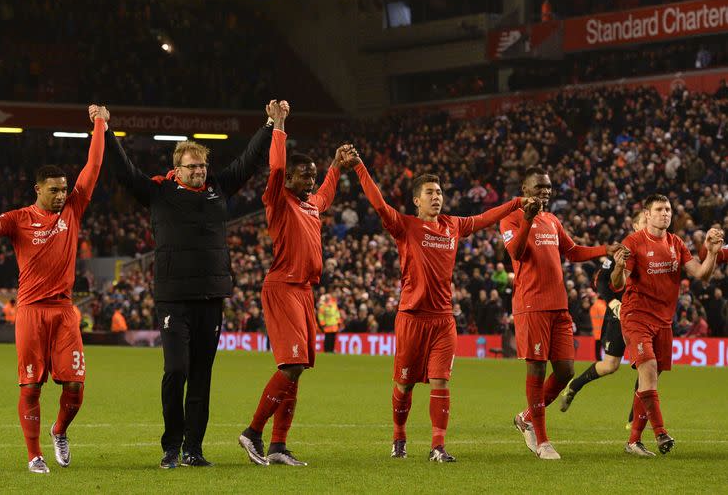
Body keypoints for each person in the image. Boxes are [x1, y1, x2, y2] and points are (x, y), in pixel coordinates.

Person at [99, 101, 274, 469]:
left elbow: (248, 161)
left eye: (202, 165)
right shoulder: (159, 193)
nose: (199, 171)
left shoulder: (218, 188)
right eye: (192, 166)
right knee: (175, 369)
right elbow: (124, 172)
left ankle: (193, 449)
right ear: (177, 168)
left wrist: (271, 125)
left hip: (210, 297)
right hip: (173, 299)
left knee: (201, 376)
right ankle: (170, 446)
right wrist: (105, 130)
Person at [0, 106, 105, 474]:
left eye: (64, 189)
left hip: (63, 311)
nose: (62, 195)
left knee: (75, 388)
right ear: (38, 190)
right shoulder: (18, 219)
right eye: (54, 190)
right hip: (30, 311)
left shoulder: (73, 210)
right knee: (30, 387)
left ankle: (59, 430)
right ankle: (34, 455)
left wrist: (100, 123)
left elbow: (92, 168)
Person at [352, 152, 528, 463]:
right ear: (416, 201)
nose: (437, 198)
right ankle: (399, 436)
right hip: (411, 317)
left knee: (440, 381)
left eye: (440, 193)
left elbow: (486, 218)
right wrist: (359, 166)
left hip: (443, 319)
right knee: (404, 385)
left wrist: (516, 203)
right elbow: (379, 203)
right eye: (430, 193)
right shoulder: (404, 226)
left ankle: (437, 446)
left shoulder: (453, 226)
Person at [238, 100, 352, 467]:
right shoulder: (278, 199)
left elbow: (325, 194)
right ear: (288, 179)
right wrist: (279, 126)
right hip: (282, 287)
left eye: (313, 174)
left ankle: (278, 446)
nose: (311, 180)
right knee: (290, 365)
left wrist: (334, 165)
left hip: (304, 291)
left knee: (298, 368)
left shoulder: (310, 205)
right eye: (304, 175)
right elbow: (276, 167)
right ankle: (253, 432)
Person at [501, 166, 621, 460]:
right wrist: (527, 220)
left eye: (549, 187)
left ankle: (526, 417)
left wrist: (604, 249)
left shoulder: (552, 220)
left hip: (558, 305)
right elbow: (516, 252)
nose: (546, 192)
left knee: (566, 369)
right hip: (532, 305)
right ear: (525, 189)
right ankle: (542, 441)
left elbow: (572, 251)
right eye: (540, 187)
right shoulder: (511, 218)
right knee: (537, 369)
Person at [612, 194, 722, 456]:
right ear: (647, 214)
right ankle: (661, 433)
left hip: (663, 321)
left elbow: (701, 274)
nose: (666, 214)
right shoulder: (634, 242)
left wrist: (713, 253)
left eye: (669, 209)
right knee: (648, 368)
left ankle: (633, 442)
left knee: (648, 381)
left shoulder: (676, 242)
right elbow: (618, 284)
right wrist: (617, 268)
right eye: (660, 209)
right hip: (636, 316)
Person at [559, 211, 647, 419]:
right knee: (610, 365)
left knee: (647, 366)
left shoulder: (660, 248)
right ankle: (575, 386)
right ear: (635, 226)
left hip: (645, 315)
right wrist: (612, 301)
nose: (649, 223)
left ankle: (633, 422)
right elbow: (600, 280)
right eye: (644, 221)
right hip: (620, 314)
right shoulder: (623, 249)